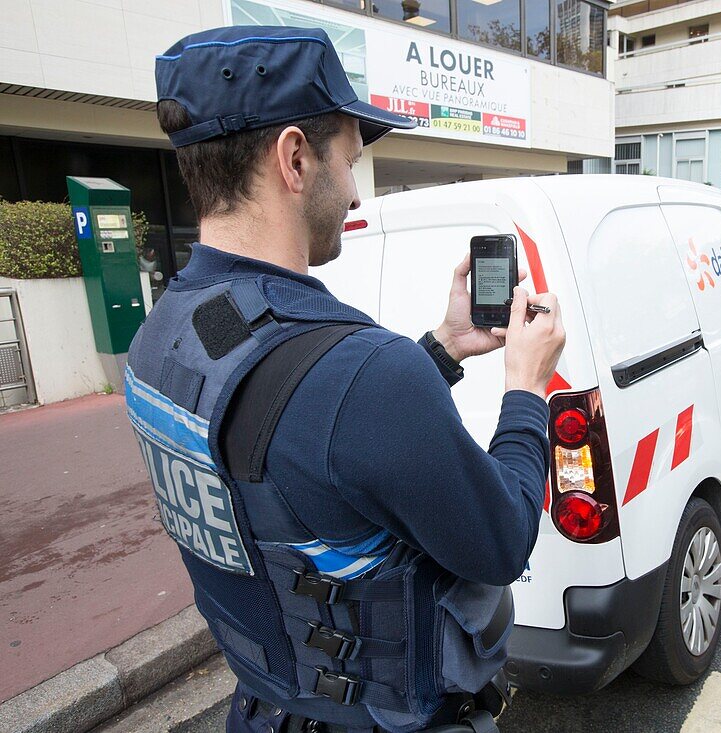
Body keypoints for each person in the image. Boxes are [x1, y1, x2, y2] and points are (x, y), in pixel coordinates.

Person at [126, 26, 565, 733]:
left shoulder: (166, 337)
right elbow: (504, 539)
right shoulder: (367, 375)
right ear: (295, 157)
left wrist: (445, 345)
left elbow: (294, 442)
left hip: (263, 709)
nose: (356, 191)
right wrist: (525, 386)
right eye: (350, 158)